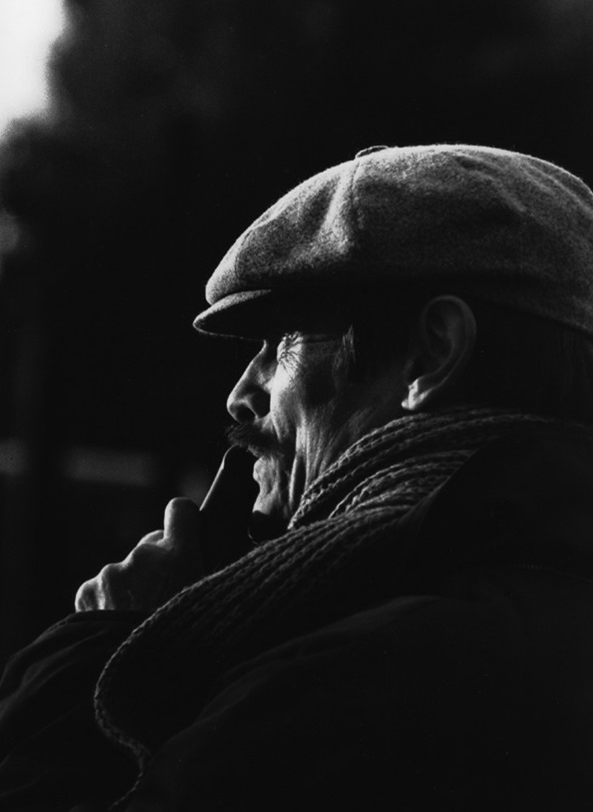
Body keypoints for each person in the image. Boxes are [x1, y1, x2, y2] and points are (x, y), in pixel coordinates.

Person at [2, 144, 593, 810]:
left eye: (282, 340)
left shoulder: (354, 678)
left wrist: (99, 651)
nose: (240, 395)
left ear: (433, 352)